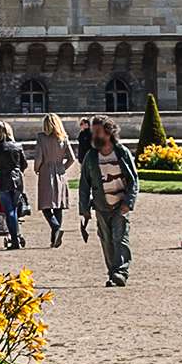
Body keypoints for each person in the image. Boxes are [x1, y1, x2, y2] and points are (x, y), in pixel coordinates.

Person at [77, 116, 139, 287]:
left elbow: (133, 180)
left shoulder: (122, 153)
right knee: (106, 240)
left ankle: (121, 272)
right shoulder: (91, 156)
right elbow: (84, 184)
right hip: (101, 205)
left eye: (97, 132)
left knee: (120, 238)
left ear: (109, 132)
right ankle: (113, 273)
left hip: (120, 204)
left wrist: (129, 202)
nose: (94, 135)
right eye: (93, 132)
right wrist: (84, 209)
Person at [31, 112, 75, 249]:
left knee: (46, 205)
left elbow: (39, 157)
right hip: (60, 172)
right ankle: (54, 238)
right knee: (58, 205)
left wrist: (36, 168)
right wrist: (62, 167)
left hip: (46, 172)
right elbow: (72, 158)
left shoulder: (42, 138)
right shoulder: (64, 138)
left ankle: (55, 228)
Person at [0, 120, 29, 251]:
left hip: (3, 180)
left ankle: (14, 240)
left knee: (9, 210)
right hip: (17, 180)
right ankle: (15, 237)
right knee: (14, 209)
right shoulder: (18, 145)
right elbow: (24, 164)